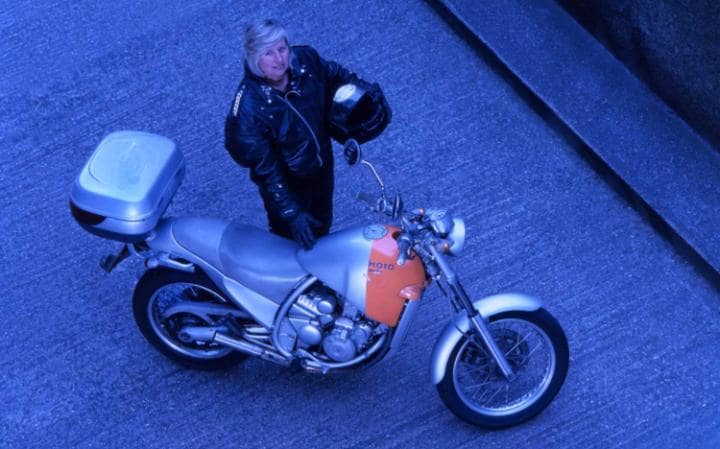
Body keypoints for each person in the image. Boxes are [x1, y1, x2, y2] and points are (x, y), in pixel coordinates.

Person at [224, 19, 390, 249]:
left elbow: (335, 75)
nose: (279, 59)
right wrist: (291, 212)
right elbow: (266, 172)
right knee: (290, 242)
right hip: (290, 183)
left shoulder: (305, 60)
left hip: (322, 163)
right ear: (254, 58)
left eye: (282, 48)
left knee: (322, 224)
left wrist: (365, 93)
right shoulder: (248, 112)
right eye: (268, 53)